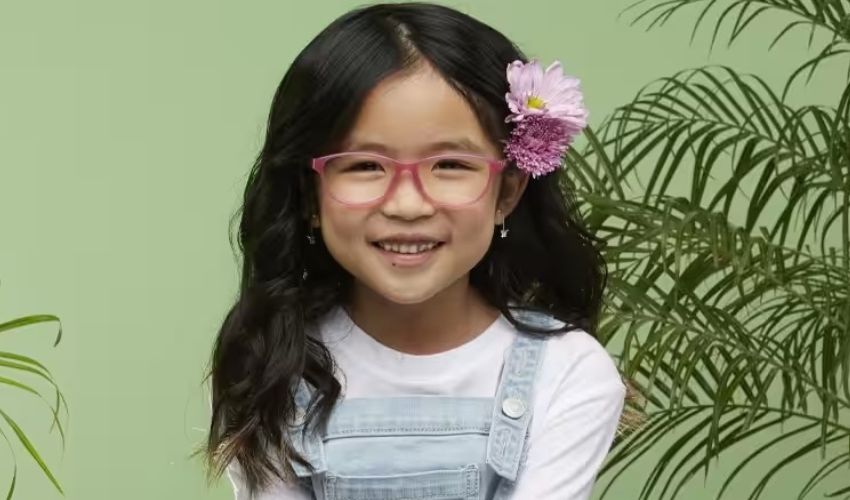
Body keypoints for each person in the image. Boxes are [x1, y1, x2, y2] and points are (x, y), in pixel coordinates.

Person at [205, 2, 628, 499]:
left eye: (449, 164)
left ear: (508, 192)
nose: (407, 204)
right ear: (308, 196)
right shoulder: (273, 362)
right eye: (364, 166)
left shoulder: (568, 371)